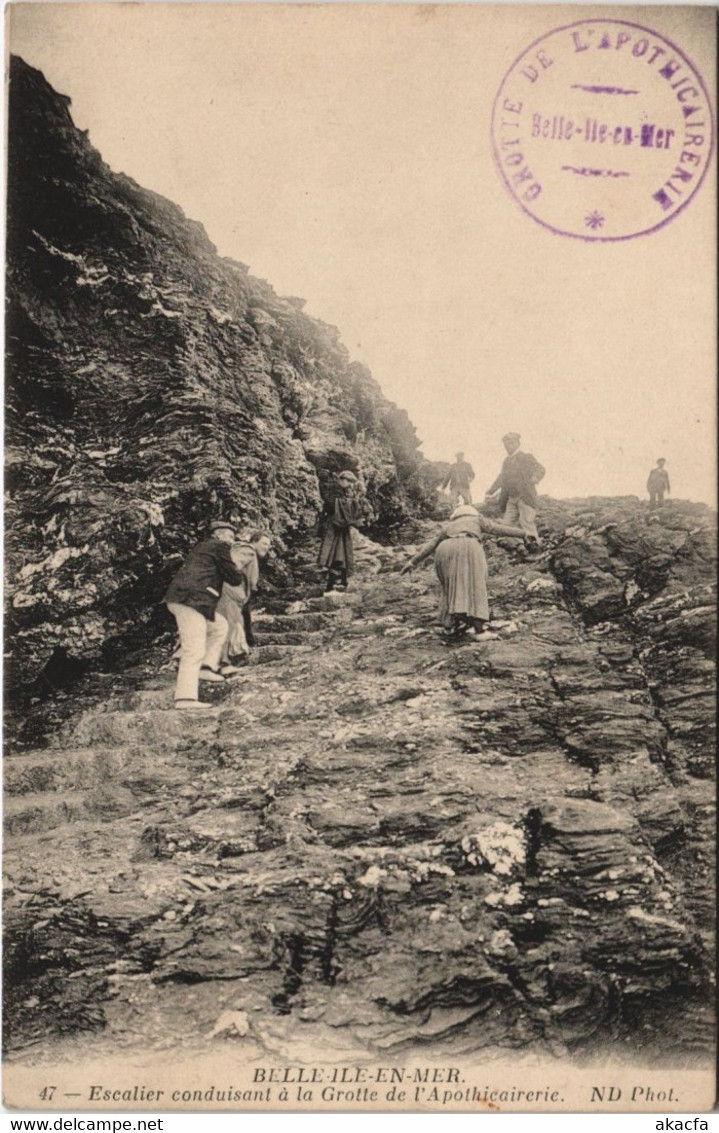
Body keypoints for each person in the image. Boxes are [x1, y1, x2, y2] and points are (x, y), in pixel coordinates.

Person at [400, 504, 527, 640]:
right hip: (468, 546)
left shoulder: (449, 526)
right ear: (473, 514)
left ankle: (449, 625)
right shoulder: (477, 520)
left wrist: (412, 562)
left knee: (450, 588)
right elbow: (498, 529)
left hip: (444, 550)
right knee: (475, 586)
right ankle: (479, 631)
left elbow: (431, 545)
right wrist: (523, 533)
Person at [164, 520, 247, 710]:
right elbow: (234, 578)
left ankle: (206, 667)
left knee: (219, 626)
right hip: (192, 600)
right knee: (193, 648)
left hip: (188, 600)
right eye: (230, 536)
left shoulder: (203, 547)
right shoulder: (220, 546)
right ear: (219, 534)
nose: (232, 541)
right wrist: (237, 564)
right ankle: (185, 698)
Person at [216, 530, 272, 666]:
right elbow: (232, 566)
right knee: (228, 626)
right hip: (231, 594)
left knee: (235, 625)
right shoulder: (248, 549)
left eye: (268, 545)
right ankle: (223, 662)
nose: (267, 547)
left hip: (236, 596)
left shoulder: (251, 554)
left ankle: (226, 660)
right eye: (264, 543)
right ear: (254, 542)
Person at [485, 432, 545, 543]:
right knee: (507, 526)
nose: (509, 446)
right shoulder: (506, 461)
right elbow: (501, 478)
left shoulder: (526, 457)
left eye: (512, 443)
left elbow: (540, 468)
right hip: (511, 499)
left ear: (518, 443)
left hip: (525, 497)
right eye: (506, 444)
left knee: (526, 522)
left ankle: (535, 548)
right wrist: (491, 490)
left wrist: (535, 478)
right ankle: (519, 547)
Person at [318, 469, 365, 592]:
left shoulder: (343, 492)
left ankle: (342, 582)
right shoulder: (333, 491)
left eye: (351, 482)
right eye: (348, 481)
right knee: (337, 554)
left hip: (341, 528)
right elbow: (332, 507)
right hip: (334, 527)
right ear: (341, 479)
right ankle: (331, 586)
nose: (349, 484)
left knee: (342, 553)